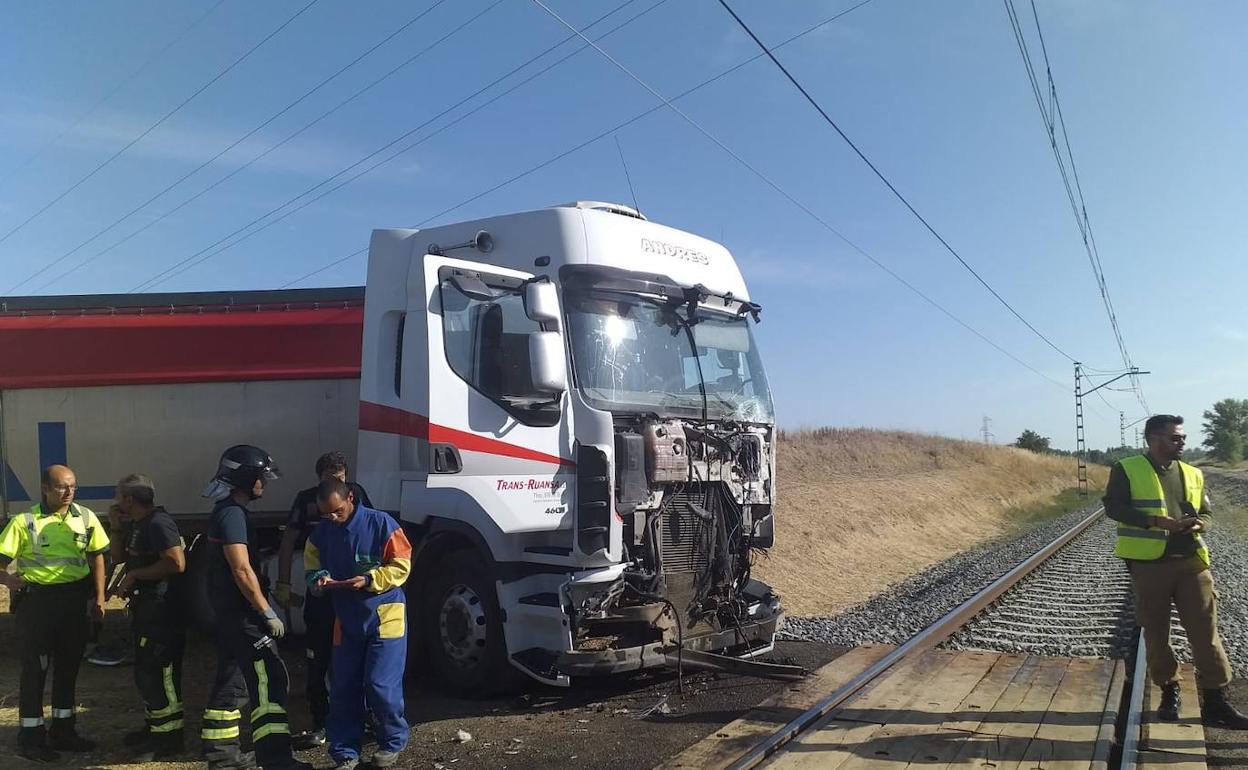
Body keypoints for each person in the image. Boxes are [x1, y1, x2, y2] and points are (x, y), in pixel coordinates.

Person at [1105, 414, 1248, 728]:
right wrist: (1157, 522)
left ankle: (1216, 701)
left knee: (1206, 633)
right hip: (1149, 565)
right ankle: (1169, 691)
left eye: (1182, 437)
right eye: (1175, 437)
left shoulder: (1193, 473)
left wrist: (1200, 524)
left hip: (1191, 562)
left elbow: (1207, 513)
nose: (1182, 442)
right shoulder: (1127, 468)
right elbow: (1113, 507)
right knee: (1156, 633)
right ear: (1153, 439)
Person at [200, 445, 311, 770]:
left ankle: (222, 757)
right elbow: (241, 569)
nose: (265, 483)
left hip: (231, 616)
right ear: (246, 479)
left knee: (232, 682)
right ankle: (275, 758)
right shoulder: (232, 515)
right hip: (245, 618)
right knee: (269, 680)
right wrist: (265, 611)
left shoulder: (227, 512)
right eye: (261, 478)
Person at [0, 464, 109, 762]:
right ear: (45, 489)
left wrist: (100, 598)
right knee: (35, 670)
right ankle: (31, 737)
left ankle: (64, 731)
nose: (69, 492)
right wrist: (8, 579)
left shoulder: (85, 518)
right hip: (37, 605)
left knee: (68, 668)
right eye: (62, 486)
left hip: (74, 602)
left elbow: (97, 556)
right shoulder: (24, 522)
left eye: (73, 486)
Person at [305, 479, 412, 770]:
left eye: (337, 511)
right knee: (343, 687)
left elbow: (402, 565)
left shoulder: (381, 524)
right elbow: (311, 563)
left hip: (385, 615)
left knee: (380, 684)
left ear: (350, 498)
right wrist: (318, 580)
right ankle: (344, 752)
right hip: (347, 618)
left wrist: (369, 579)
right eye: (326, 514)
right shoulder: (323, 531)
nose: (333, 518)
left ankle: (393, 741)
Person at [274, 451, 373, 749]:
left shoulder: (358, 494)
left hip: (354, 593)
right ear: (319, 478)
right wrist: (283, 582)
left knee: (360, 658)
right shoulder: (305, 500)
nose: (337, 486)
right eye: (331, 479)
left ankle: (364, 719)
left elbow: (371, 532)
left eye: (341, 479)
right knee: (318, 659)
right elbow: (289, 540)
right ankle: (321, 721)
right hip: (322, 593)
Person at [108, 474, 187, 761]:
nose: (116, 502)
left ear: (129, 499)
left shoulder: (158, 523)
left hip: (162, 611)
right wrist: (116, 528)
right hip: (146, 610)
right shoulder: (137, 525)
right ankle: (154, 728)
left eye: (119, 496)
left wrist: (136, 575)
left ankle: (169, 740)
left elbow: (176, 562)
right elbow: (116, 558)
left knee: (160, 674)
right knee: (146, 673)